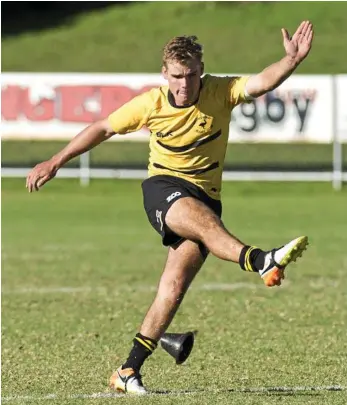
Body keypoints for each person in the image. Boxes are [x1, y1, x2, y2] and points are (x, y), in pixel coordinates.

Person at [26, 21, 313, 395]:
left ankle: (127, 370)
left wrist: (289, 62)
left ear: (201, 71)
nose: (184, 84)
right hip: (164, 190)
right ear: (165, 74)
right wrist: (55, 161)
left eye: (191, 74)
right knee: (206, 226)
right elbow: (101, 128)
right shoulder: (151, 103)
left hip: (205, 199)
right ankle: (260, 260)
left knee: (173, 287)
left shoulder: (220, 90)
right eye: (177, 76)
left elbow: (262, 81)